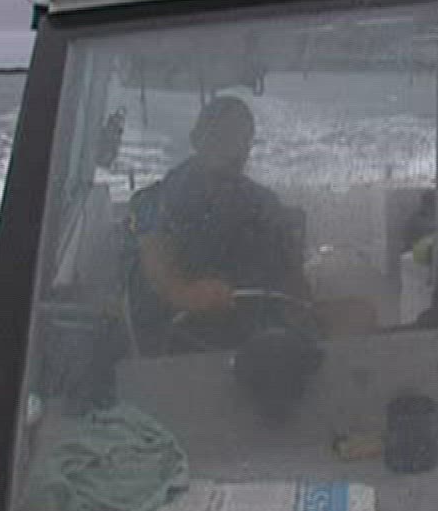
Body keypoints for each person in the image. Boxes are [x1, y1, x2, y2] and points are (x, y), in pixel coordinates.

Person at [127, 96, 308, 351]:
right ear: (197, 139)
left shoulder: (267, 205)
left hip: (264, 341)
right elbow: (154, 261)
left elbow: (294, 283)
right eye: (222, 136)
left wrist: (301, 311)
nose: (234, 148)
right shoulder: (149, 203)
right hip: (174, 350)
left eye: (242, 138)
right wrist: (185, 294)